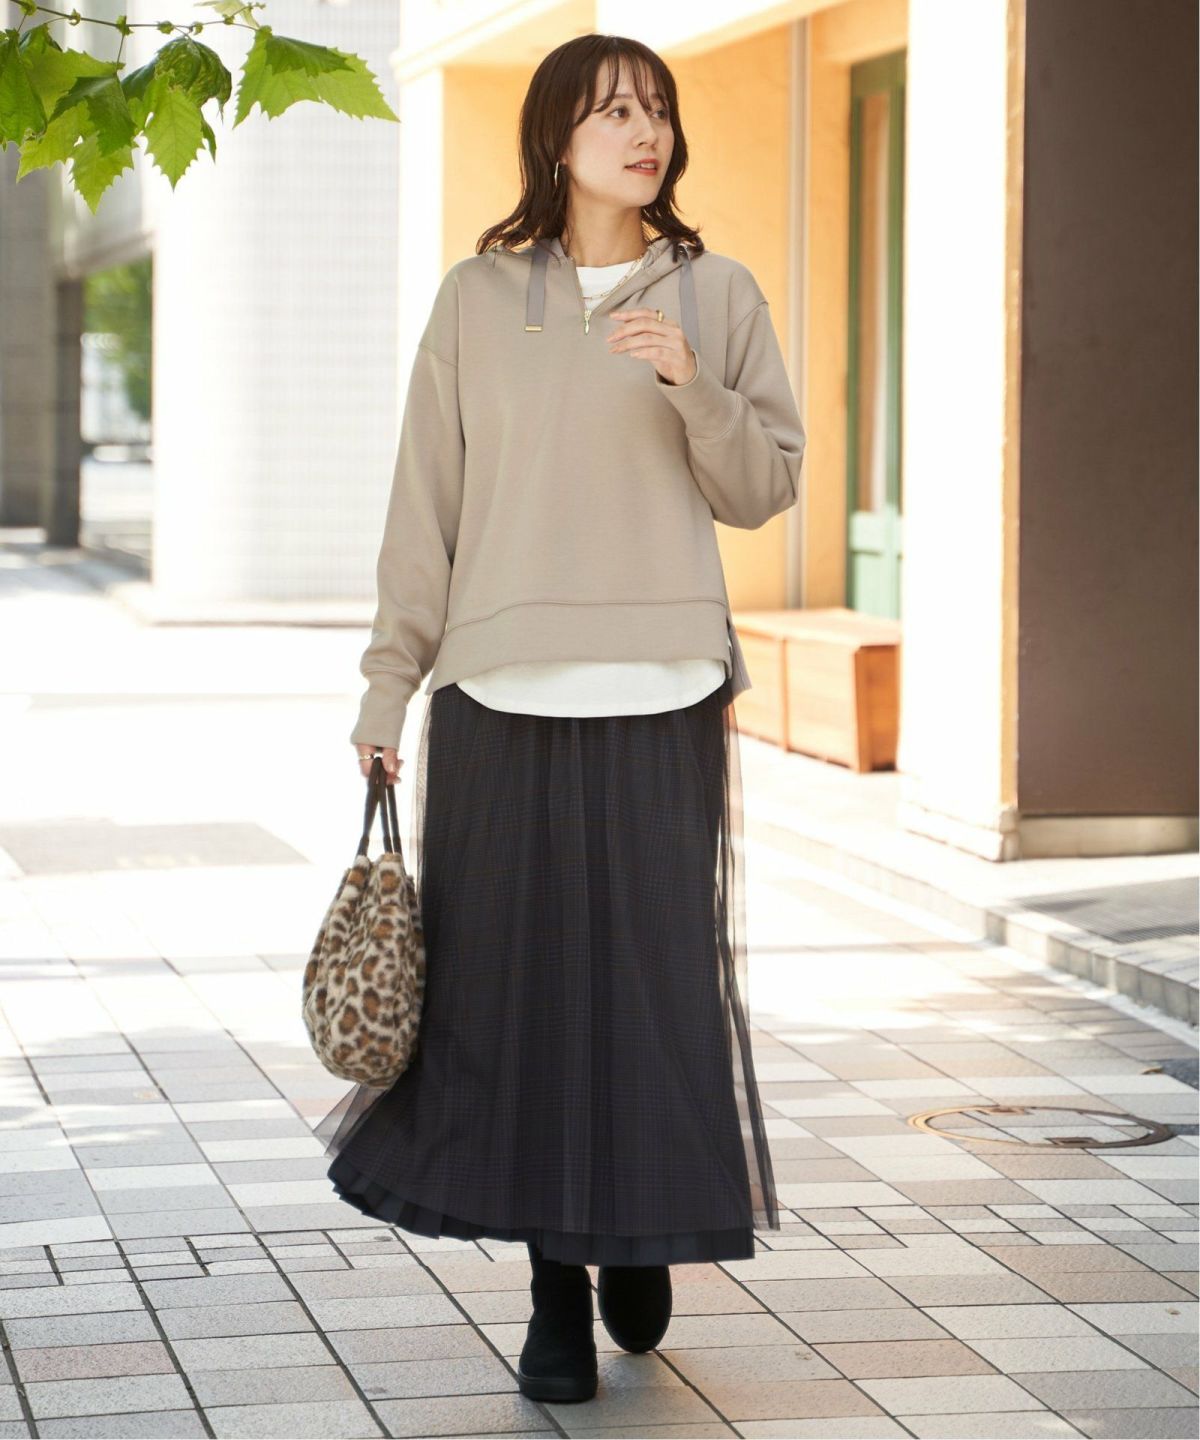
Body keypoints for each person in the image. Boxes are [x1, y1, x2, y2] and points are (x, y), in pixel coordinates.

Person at [314, 32, 806, 1405]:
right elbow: (426, 507)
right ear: (555, 138)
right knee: (513, 1004)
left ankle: (639, 1229)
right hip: (500, 698)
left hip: (663, 692)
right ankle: (553, 1291)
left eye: (658, 111)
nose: (644, 133)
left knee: (650, 995)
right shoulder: (477, 299)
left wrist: (692, 385)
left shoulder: (718, 291)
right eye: (612, 113)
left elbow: (766, 487)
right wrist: (387, 683)